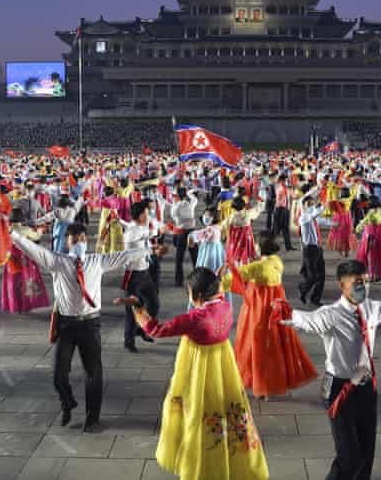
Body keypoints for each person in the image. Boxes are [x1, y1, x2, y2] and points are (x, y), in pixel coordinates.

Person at [282, 260, 381, 480]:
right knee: (348, 456)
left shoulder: (371, 308)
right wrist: (286, 313)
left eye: (366, 281)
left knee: (366, 451)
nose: (363, 286)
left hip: (366, 387)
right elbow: (307, 321)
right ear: (342, 285)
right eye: (357, 282)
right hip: (339, 387)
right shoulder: (330, 314)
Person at [115, 268, 269, 480]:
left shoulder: (195, 317)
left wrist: (138, 306)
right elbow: (220, 291)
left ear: (196, 295)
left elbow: (156, 329)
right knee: (227, 408)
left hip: (200, 367)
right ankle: (232, 459)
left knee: (198, 411)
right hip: (223, 363)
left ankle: (200, 464)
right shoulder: (225, 305)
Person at [10, 222, 148, 432]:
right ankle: (67, 403)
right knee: (59, 374)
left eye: (83, 239)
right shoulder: (57, 262)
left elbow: (124, 255)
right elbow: (33, 249)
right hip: (66, 325)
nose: (79, 243)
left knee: (93, 373)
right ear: (67, 242)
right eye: (75, 240)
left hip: (91, 324)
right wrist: (12, 233)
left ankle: (92, 419)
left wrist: (148, 249)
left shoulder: (97, 261)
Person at [223, 231, 318, 399]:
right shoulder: (276, 261)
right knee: (274, 344)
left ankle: (260, 384)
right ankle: (271, 383)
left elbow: (233, 279)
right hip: (276, 307)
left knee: (255, 344)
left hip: (258, 309)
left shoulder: (257, 267)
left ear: (261, 247)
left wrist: (221, 277)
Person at [122, 201, 164, 353]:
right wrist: (158, 231)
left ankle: (142, 328)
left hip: (145, 272)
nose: (148, 216)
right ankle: (128, 340)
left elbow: (150, 233)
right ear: (140, 216)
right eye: (146, 213)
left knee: (154, 304)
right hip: (133, 276)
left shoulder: (139, 228)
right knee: (131, 310)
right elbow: (149, 233)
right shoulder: (133, 232)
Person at [0, 209, 51, 314]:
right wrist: (40, 230)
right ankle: (26, 305)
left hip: (11, 258)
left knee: (13, 281)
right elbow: (36, 236)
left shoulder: (7, 229)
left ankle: (14, 304)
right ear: (21, 218)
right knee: (26, 280)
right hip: (25, 257)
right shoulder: (25, 229)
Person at [298, 186, 333, 306]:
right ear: (305, 206)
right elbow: (315, 214)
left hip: (318, 248)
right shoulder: (304, 217)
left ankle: (315, 299)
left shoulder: (313, 217)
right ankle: (303, 289)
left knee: (321, 276)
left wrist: (336, 224)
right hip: (310, 250)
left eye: (313, 204)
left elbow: (322, 221)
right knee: (312, 276)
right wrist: (324, 204)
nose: (313, 206)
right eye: (310, 204)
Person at [169, 187, 199, 286]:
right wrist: (189, 193)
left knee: (179, 258)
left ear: (177, 197)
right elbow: (195, 199)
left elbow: (174, 217)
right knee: (195, 257)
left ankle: (179, 280)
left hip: (181, 232)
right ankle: (198, 278)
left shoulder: (175, 207)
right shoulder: (190, 204)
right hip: (192, 232)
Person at [189, 206, 225, 272]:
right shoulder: (219, 226)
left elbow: (199, 236)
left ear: (214, 218)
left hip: (208, 249)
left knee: (206, 265)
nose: (205, 217)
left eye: (208, 216)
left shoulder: (209, 229)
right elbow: (222, 237)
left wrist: (191, 235)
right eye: (205, 215)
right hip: (218, 248)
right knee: (217, 265)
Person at [273, 174, 294, 251]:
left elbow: (293, 196)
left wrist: (291, 189)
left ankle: (288, 246)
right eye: (285, 180)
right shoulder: (279, 187)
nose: (286, 181)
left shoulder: (287, 188)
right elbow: (278, 200)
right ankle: (271, 245)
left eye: (286, 180)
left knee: (285, 228)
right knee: (276, 228)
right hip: (280, 209)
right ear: (281, 180)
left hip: (286, 209)